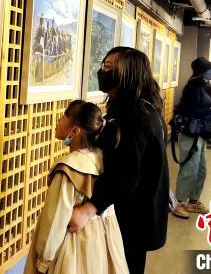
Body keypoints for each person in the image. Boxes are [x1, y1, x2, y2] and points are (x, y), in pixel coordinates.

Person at [67, 47, 169, 274]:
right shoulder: (134, 106)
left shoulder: (136, 114)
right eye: (104, 65)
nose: (104, 71)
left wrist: (89, 209)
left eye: (111, 67)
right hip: (136, 208)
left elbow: (126, 172)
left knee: (125, 265)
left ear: (130, 73)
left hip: (134, 213)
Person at [24, 100, 129, 274]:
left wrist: (42, 262)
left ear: (75, 131)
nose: (59, 119)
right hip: (102, 247)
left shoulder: (67, 169)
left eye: (65, 115)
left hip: (71, 253)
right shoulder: (104, 159)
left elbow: (53, 225)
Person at [171, 57, 211, 219]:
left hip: (200, 133)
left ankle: (193, 201)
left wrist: (210, 111)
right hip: (190, 135)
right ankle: (179, 203)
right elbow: (187, 111)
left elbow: (200, 108)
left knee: (200, 170)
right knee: (189, 169)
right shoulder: (193, 88)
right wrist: (209, 111)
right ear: (202, 71)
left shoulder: (206, 86)